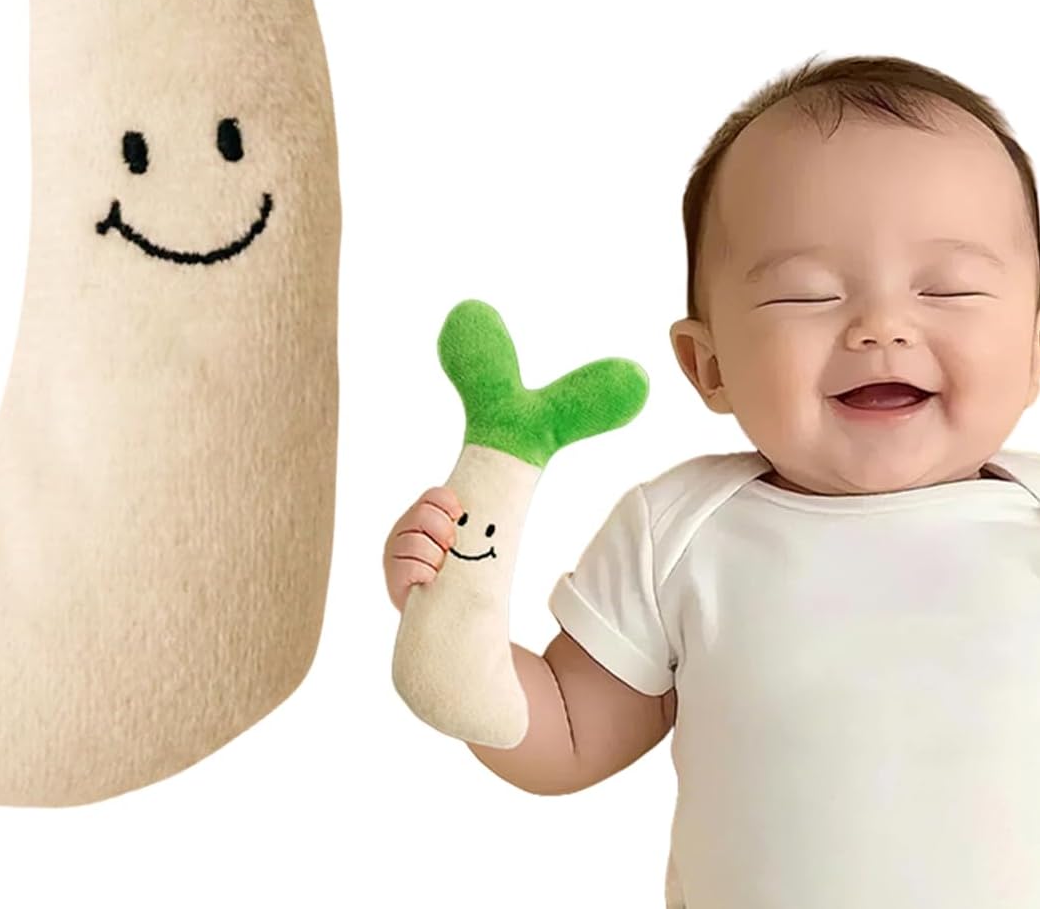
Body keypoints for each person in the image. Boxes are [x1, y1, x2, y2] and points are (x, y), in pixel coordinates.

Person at [383, 51, 1040, 908]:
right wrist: (454, 615)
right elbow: (565, 734)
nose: (880, 326)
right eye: (807, 294)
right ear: (709, 363)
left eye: (947, 288)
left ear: (1035, 344)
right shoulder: (679, 531)